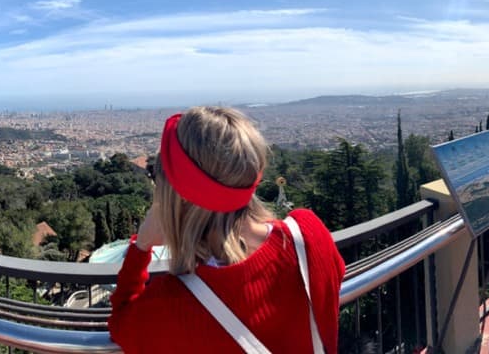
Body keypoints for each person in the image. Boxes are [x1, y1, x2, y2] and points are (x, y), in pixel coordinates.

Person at [108, 106, 346, 353]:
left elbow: (121, 323)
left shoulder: (170, 305)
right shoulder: (307, 237)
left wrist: (141, 248)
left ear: (178, 194)